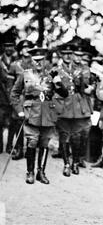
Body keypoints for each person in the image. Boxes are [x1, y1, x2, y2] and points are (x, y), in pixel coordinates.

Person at [10, 47, 68, 184]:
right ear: (31, 60)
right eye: (35, 60)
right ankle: (30, 172)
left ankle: (40, 172)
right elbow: (14, 94)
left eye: (41, 60)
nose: (38, 63)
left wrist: (58, 83)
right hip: (31, 114)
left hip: (48, 113)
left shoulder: (53, 75)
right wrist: (19, 110)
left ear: (46, 61)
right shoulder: (25, 74)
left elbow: (64, 94)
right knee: (32, 141)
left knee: (44, 142)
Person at [55, 42, 94, 176]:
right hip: (63, 106)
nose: (67, 56)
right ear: (61, 55)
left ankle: (75, 162)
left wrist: (88, 86)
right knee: (64, 136)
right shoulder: (56, 70)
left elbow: (88, 86)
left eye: (70, 54)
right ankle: (66, 164)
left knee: (77, 136)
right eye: (64, 54)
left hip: (78, 106)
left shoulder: (83, 69)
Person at [6, 39, 34, 160]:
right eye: (24, 48)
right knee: (18, 124)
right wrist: (13, 102)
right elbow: (9, 86)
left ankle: (29, 150)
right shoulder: (14, 66)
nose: (26, 50)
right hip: (20, 99)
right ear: (20, 51)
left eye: (29, 48)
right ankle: (19, 149)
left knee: (31, 124)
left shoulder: (35, 65)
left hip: (32, 99)